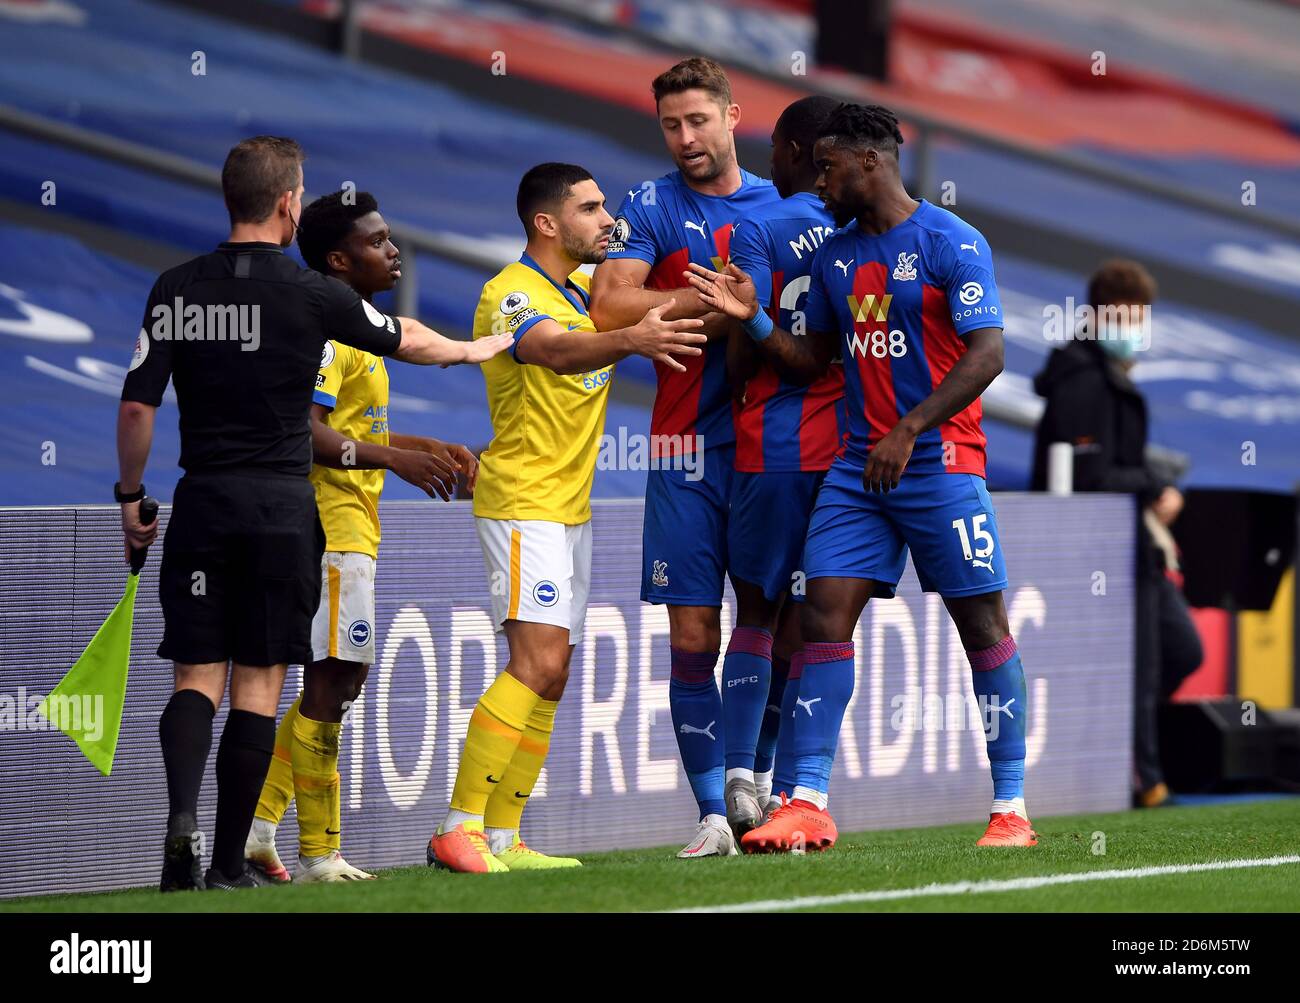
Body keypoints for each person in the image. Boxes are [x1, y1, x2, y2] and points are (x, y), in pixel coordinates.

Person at [118, 136, 512, 891]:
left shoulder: (174, 288)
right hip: (282, 509)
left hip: (204, 497)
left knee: (196, 675)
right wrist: (474, 349)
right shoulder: (311, 294)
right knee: (260, 684)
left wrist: (131, 498)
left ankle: (180, 826)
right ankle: (230, 862)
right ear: (290, 204)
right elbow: (409, 340)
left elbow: (138, 405)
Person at [687, 101, 1037, 852]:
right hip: (857, 468)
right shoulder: (834, 257)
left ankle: (1010, 808)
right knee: (819, 618)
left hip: (938, 461)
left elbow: (989, 355)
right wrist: (750, 319)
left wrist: (910, 428)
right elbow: (814, 360)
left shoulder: (953, 240)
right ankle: (807, 798)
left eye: (829, 167)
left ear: (870, 161)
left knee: (982, 629)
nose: (819, 182)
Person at [426, 163, 707, 873]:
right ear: (546, 223)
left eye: (606, 204)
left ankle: (503, 836)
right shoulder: (511, 292)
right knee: (536, 660)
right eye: (589, 207)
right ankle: (456, 826)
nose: (606, 217)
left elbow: (644, 315)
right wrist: (630, 342)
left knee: (555, 674)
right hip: (522, 501)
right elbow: (549, 349)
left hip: (568, 509)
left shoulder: (585, 291)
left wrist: (725, 294)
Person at [244, 189, 480, 884]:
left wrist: (419, 446)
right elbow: (307, 431)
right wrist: (396, 460)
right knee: (334, 679)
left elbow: (354, 429)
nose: (394, 249)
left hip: (353, 526)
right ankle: (320, 852)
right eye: (378, 242)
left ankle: (259, 826)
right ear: (340, 259)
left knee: (340, 678)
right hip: (325, 523)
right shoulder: (328, 331)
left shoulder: (363, 328)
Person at [589, 56, 781, 858]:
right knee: (693, 631)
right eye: (671, 124)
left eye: (699, 121)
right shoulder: (652, 204)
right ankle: (711, 813)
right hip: (679, 444)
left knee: (771, 617)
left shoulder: (784, 206)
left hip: (769, 444)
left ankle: (755, 786)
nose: (685, 138)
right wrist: (711, 298)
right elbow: (607, 303)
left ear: (734, 116)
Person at [1030, 259, 1201, 807]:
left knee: (1175, 652)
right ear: (1097, 316)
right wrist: (1153, 485)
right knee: (1140, 663)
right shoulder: (1082, 381)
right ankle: (1141, 777)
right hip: (1099, 550)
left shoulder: (1108, 377)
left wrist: (1151, 484)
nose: (1134, 331)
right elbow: (1090, 472)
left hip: (1131, 545)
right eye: (1126, 318)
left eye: (1140, 319)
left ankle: (1136, 760)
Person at [720, 94, 845, 836]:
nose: (768, 163)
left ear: (798, 149)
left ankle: (739, 774)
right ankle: (778, 784)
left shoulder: (757, 226)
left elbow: (742, 331)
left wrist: (740, 373)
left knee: (757, 613)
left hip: (767, 445)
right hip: (843, 456)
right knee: (810, 622)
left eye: (775, 149)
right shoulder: (861, 230)